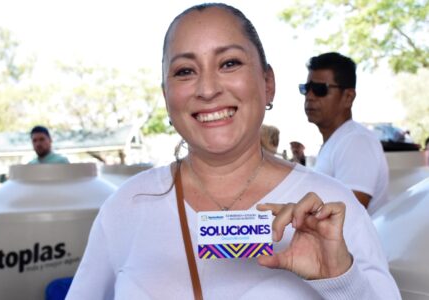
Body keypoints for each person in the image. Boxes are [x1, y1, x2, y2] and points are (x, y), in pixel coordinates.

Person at [67, 4, 400, 299]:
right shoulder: (127, 207)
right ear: (166, 95)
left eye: (229, 63)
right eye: (185, 71)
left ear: (267, 83)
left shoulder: (331, 207)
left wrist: (340, 280)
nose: (208, 89)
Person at [300, 52, 389, 215]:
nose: (310, 96)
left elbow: (349, 214)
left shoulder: (356, 141)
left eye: (320, 89)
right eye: (306, 88)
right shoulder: (338, 140)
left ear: (348, 97)